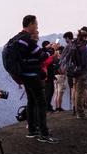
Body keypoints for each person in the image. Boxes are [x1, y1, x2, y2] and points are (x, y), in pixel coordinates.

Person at [5, 14, 57, 143]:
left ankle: (32, 130)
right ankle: (44, 133)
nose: (37, 27)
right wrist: (52, 51)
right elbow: (42, 56)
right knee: (41, 103)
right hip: (32, 75)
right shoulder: (27, 40)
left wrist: (45, 50)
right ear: (31, 25)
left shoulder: (17, 39)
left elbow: (32, 53)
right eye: (36, 24)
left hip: (24, 75)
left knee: (31, 101)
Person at [53, 32, 73, 112]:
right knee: (60, 92)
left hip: (55, 76)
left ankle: (56, 107)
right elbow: (62, 67)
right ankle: (59, 107)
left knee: (56, 92)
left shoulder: (54, 57)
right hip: (61, 75)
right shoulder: (61, 59)